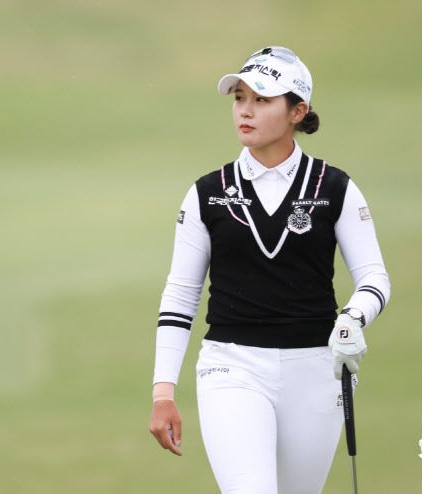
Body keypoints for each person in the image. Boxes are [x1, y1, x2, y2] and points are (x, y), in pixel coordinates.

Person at [148, 46, 390, 493]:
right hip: (231, 367)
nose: (245, 110)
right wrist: (163, 391)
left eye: (262, 100)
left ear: (298, 111)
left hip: (316, 370)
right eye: (240, 98)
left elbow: (374, 277)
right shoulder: (207, 193)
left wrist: (353, 319)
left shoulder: (335, 187)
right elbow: (180, 295)